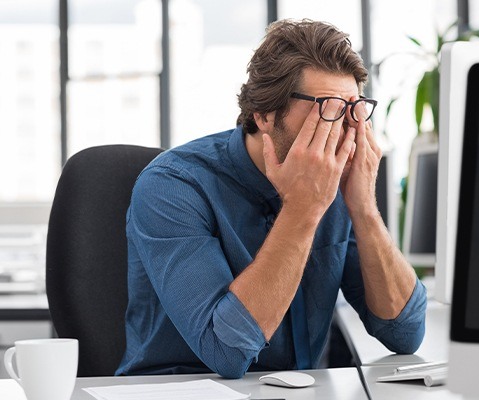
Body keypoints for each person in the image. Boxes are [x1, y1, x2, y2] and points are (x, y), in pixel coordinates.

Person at [116, 18, 427, 379]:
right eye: (327, 109)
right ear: (264, 114)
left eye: (353, 111)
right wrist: (303, 209)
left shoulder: (339, 183)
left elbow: (405, 333)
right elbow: (226, 353)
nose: (343, 132)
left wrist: (363, 208)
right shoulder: (172, 186)